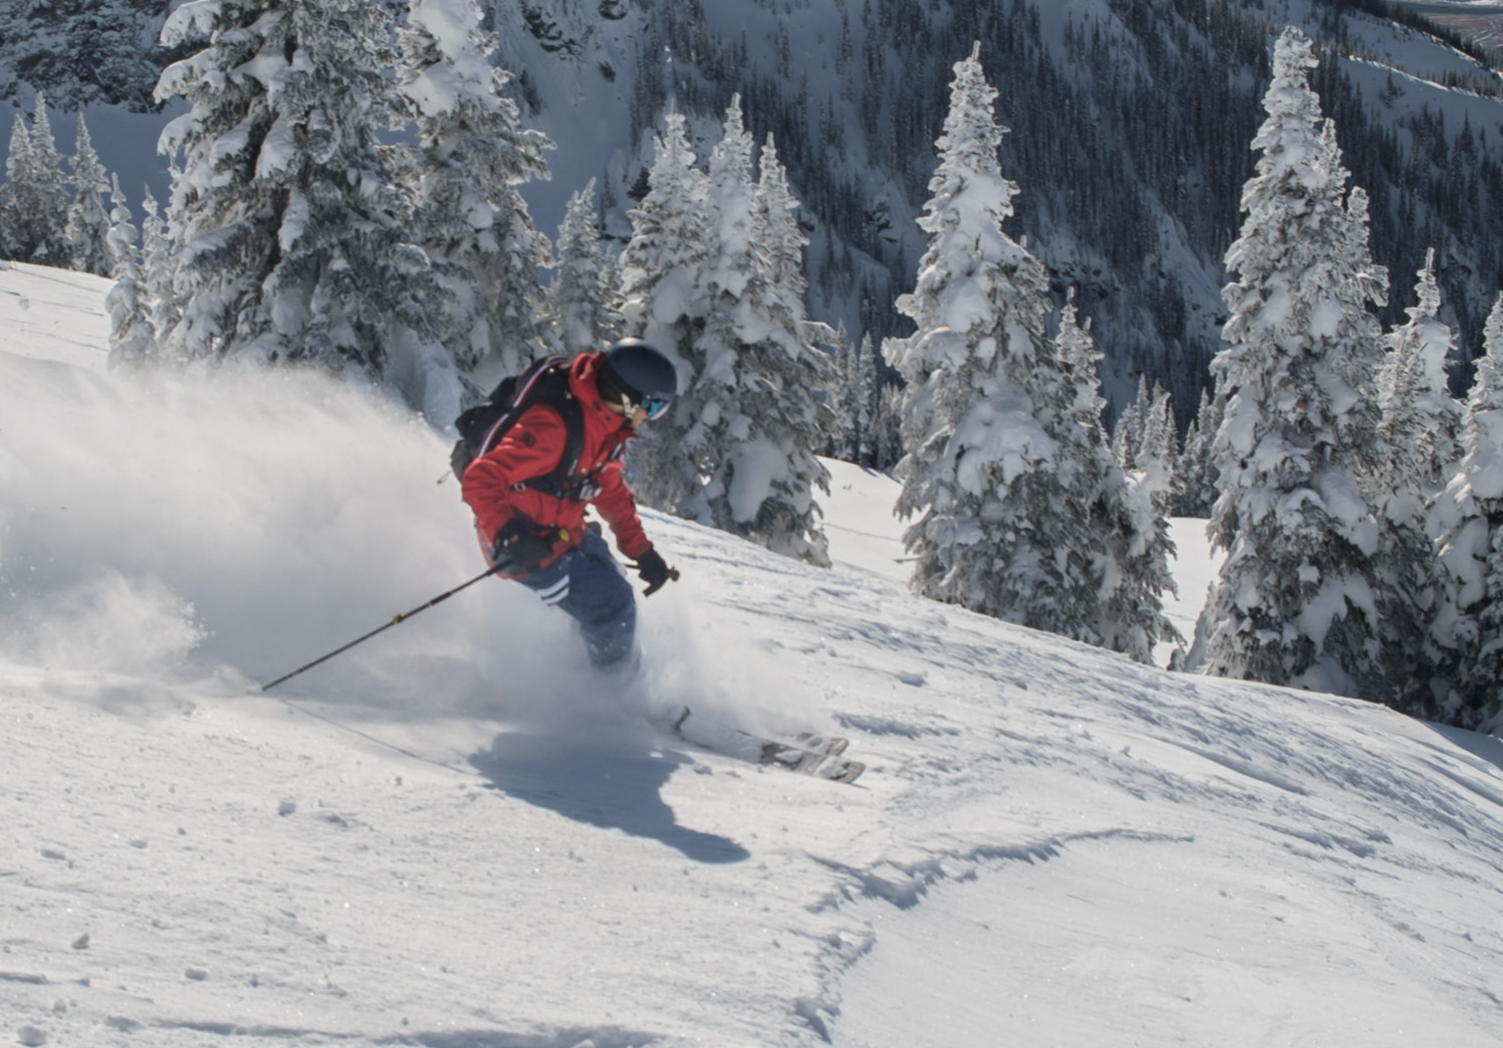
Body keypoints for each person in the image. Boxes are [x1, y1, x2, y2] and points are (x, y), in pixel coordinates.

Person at [460, 338, 679, 677]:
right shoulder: (554, 429)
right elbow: (481, 477)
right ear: (626, 399)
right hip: (523, 548)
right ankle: (612, 696)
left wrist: (641, 551)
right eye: (651, 408)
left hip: (563, 531)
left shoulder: (603, 425)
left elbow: (610, 491)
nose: (649, 418)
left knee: (610, 580)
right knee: (612, 605)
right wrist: (509, 535)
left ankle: (591, 669)